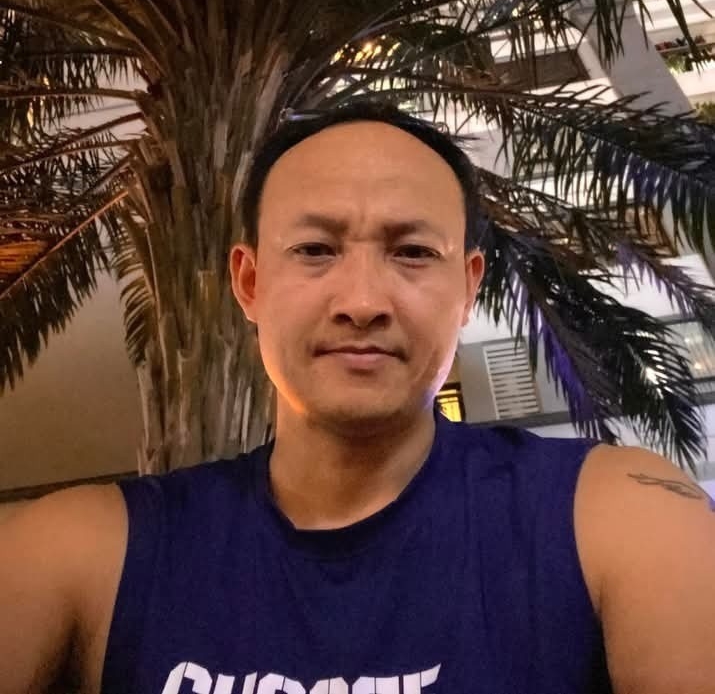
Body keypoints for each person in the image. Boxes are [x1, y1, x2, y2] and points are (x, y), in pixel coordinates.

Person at [1, 101, 714, 694]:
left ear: (467, 287)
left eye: (412, 252)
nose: (363, 302)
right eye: (315, 249)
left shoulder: (619, 518)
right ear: (249, 282)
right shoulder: (85, 552)